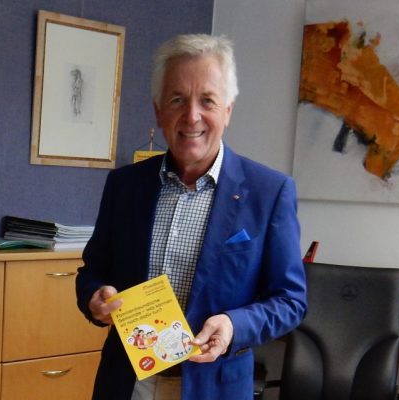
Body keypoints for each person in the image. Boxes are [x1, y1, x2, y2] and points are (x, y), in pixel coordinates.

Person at [75, 34, 308, 400]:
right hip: (127, 384)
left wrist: (233, 325)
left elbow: (290, 300)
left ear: (228, 110)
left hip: (213, 387)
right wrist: (95, 297)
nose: (192, 116)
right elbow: (93, 271)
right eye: (177, 100)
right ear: (158, 111)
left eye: (207, 100)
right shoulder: (124, 185)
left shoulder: (269, 192)